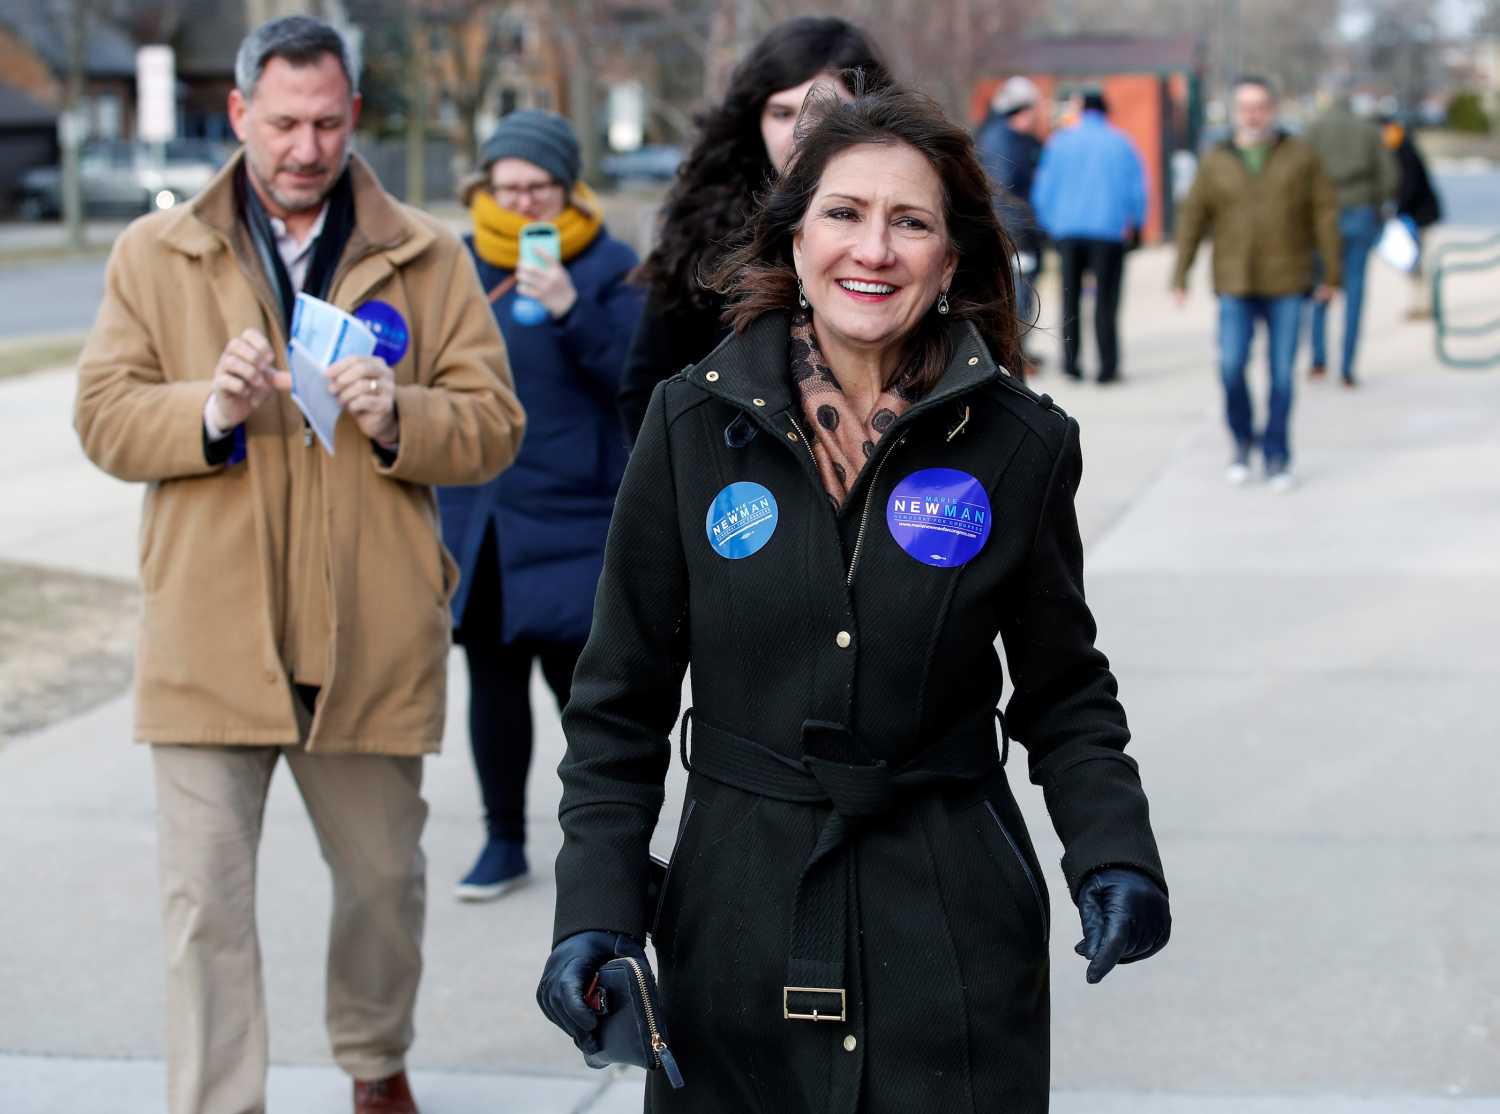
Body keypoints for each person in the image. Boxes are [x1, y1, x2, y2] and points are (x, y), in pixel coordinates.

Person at [537, 85, 1170, 1113]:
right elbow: (618, 701)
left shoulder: (1021, 444)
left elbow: (1064, 688)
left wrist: (1112, 849)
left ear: (951, 259)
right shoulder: (690, 426)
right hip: (736, 914)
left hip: (951, 916)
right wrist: (593, 910)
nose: (872, 249)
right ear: (794, 239)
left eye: (909, 221)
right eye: (844, 214)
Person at [72, 16, 525, 1114]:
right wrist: (210, 409)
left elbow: (495, 425)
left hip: (367, 637)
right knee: (205, 910)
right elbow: (103, 415)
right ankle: (219, 1102)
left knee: (382, 887)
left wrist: (398, 414)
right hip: (209, 641)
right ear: (238, 116)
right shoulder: (155, 251)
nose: (306, 145)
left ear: (354, 116)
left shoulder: (426, 255)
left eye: (327, 122)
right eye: (283, 122)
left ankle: (376, 1063)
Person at [439, 111, 642, 901]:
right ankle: (501, 842)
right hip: (483, 510)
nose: (522, 202)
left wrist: (569, 307)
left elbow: (638, 381)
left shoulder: (608, 264)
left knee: (587, 703)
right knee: (491, 685)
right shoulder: (456, 264)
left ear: (567, 188)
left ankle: (603, 849)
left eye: (540, 187)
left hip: (578, 513)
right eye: (508, 186)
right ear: (484, 187)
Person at [616, 15, 891, 442]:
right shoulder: (707, 231)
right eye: (781, 113)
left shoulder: (906, 230)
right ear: (755, 121)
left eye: (823, 111)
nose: (800, 133)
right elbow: (648, 388)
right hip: (735, 493)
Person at [1171, 75, 1339, 491]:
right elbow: (1193, 217)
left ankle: (1277, 454)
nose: (1253, 114)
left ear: (1273, 109)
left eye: (1261, 105)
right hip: (1235, 281)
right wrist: (1181, 273)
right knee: (1230, 367)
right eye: (1245, 106)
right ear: (1234, 112)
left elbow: (1324, 215)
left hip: (1288, 280)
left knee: (1282, 376)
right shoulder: (1216, 159)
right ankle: (1243, 441)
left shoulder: (1301, 156)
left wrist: (1332, 273)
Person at [1030, 89, 1147, 383]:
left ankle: (1072, 363)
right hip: (1109, 232)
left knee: (1069, 299)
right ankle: (1107, 366)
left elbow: (1043, 190)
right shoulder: (1121, 142)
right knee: (1106, 301)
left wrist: (1049, 226)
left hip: (1068, 232)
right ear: (1106, 111)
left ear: (1082, 111)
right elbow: (1138, 188)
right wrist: (1137, 225)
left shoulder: (1060, 142)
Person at [1304, 86, 1399, 385]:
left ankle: (1318, 359)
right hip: (1360, 211)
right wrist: (1376, 200)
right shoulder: (1369, 131)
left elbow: (1300, 174)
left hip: (1324, 216)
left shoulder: (1314, 130)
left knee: (1321, 286)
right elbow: (1390, 176)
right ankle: (1347, 365)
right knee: (1355, 291)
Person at [976, 75, 1045, 372]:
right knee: (1018, 291)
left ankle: (1018, 349)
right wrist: (1020, 229)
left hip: (1014, 228)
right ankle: (1015, 351)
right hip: (1014, 230)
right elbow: (1002, 191)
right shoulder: (1003, 142)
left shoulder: (999, 137)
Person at [1382, 115, 1442, 319]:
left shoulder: (1404, 151)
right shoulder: (1400, 150)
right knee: (1414, 262)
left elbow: (1410, 186)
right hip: (1414, 214)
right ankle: (1419, 303)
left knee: (1418, 261)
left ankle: (1424, 305)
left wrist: (1398, 208)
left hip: (1420, 215)